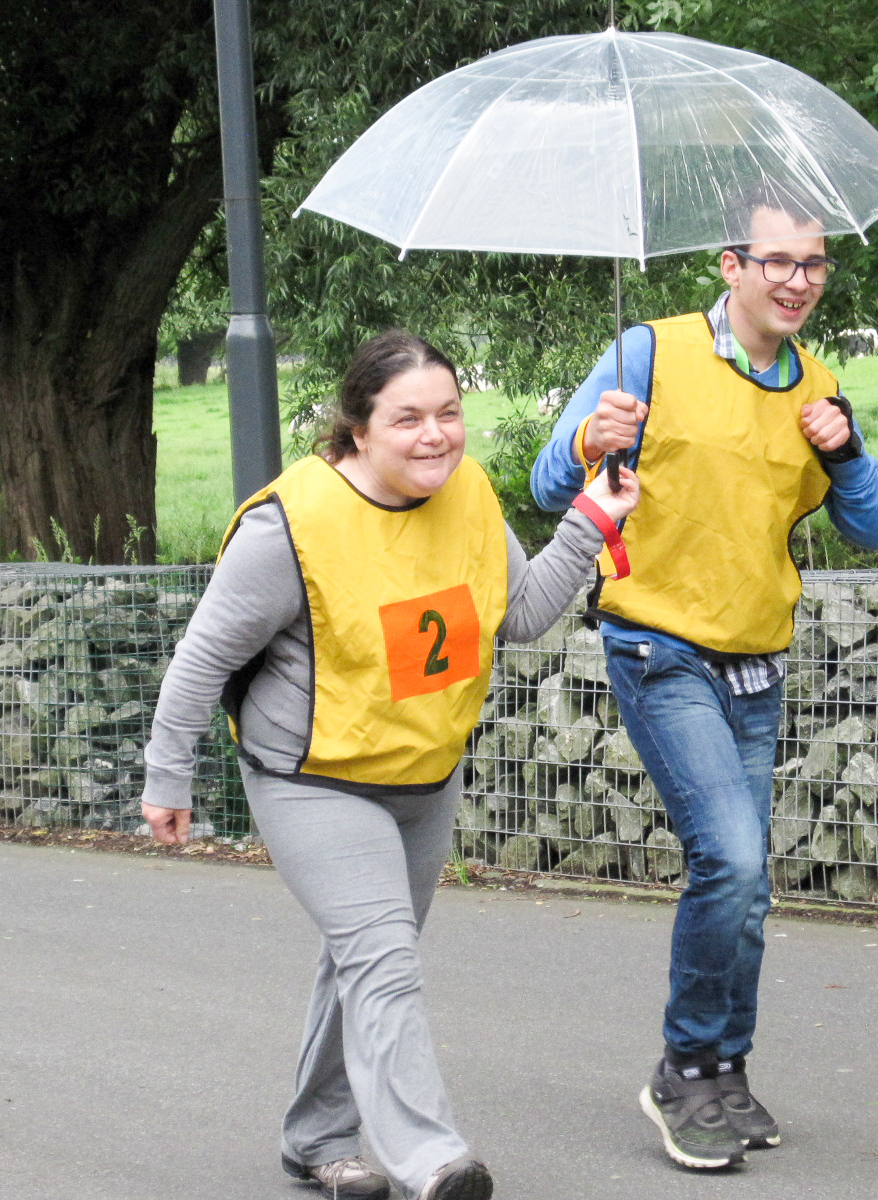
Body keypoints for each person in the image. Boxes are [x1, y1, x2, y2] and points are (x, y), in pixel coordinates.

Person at [142, 330, 638, 1200]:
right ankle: (432, 1160)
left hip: (423, 773)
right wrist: (166, 776)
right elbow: (202, 658)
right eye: (407, 418)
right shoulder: (289, 526)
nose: (434, 435)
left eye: (449, 412)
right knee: (382, 960)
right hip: (312, 779)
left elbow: (521, 615)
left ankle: (317, 1139)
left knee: (364, 960)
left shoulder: (468, 491)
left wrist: (590, 522)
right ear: (359, 427)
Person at [530, 199, 878, 1172]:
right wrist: (590, 440)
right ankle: (682, 1069)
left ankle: (727, 1066)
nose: (798, 281)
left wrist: (845, 452)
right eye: (778, 261)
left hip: (757, 660)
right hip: (659, 648)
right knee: (727, 858)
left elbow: (868, 528)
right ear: (731, 266)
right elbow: (544, 484)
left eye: (814, 264)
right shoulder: (646, 352)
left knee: (750, 887)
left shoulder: (817, 385)